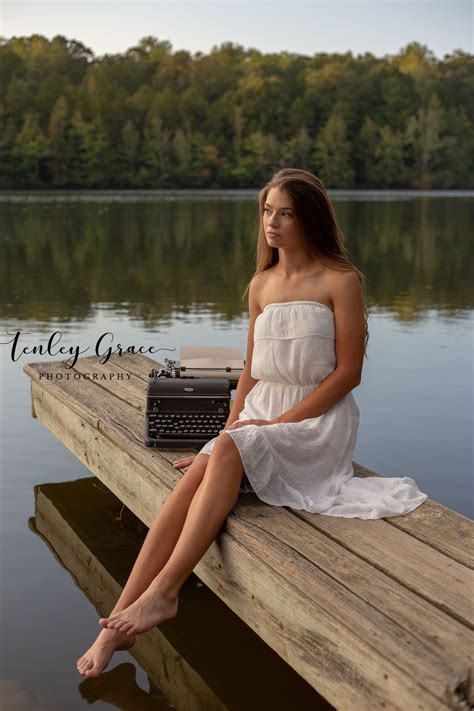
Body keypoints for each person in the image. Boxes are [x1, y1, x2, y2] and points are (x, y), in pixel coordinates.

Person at [77, 168, 428, 678]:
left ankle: (166, 591)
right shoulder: (260, 284)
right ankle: (110, 631)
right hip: (259, 414)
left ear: (309, 218)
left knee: (226, 453)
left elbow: (348, 374)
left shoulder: (340, 281)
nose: (273, 222)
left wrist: (270, 428)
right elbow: (248, 371)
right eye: (267, 211)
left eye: (285, 213)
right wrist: (227, 433)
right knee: (200, 470)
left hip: (316, 423)